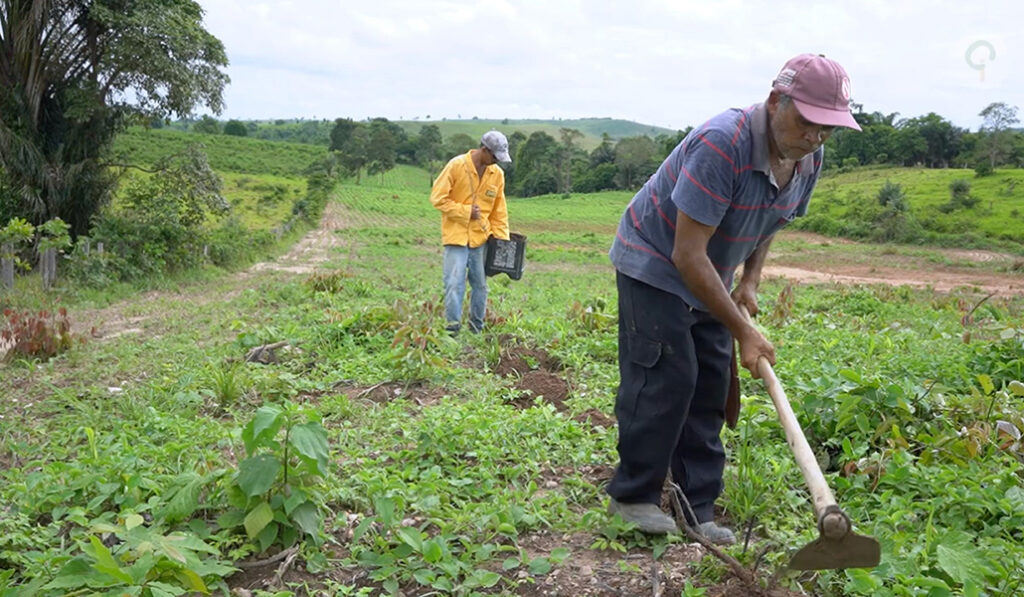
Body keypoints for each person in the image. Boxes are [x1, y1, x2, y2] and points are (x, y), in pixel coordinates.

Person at [605, 54, 862, 543]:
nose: (814, 137)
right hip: (657, 261)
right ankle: (633, 496)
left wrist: (750, 280)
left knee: (710, 386)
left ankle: (695, 506)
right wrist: (744, 330)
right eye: (807, 122)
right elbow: (686, 254)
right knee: (666, 377)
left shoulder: (807, 158)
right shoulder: (722, 144)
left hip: (713, 271)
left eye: (827, 129)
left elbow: (771, 217)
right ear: (774, 102)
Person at [430, 130, 511, 334]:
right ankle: (452, 330)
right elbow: (438, 198)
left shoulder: (497, 174)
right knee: (454, 284)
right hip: (456, 237)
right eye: (494, 157)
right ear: (484, 150)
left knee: (480, 286)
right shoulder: (456, 166)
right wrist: (465, 212)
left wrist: (502, 241)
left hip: (480, 239)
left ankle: (476, 328)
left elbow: (499, 211)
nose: (495, 162)